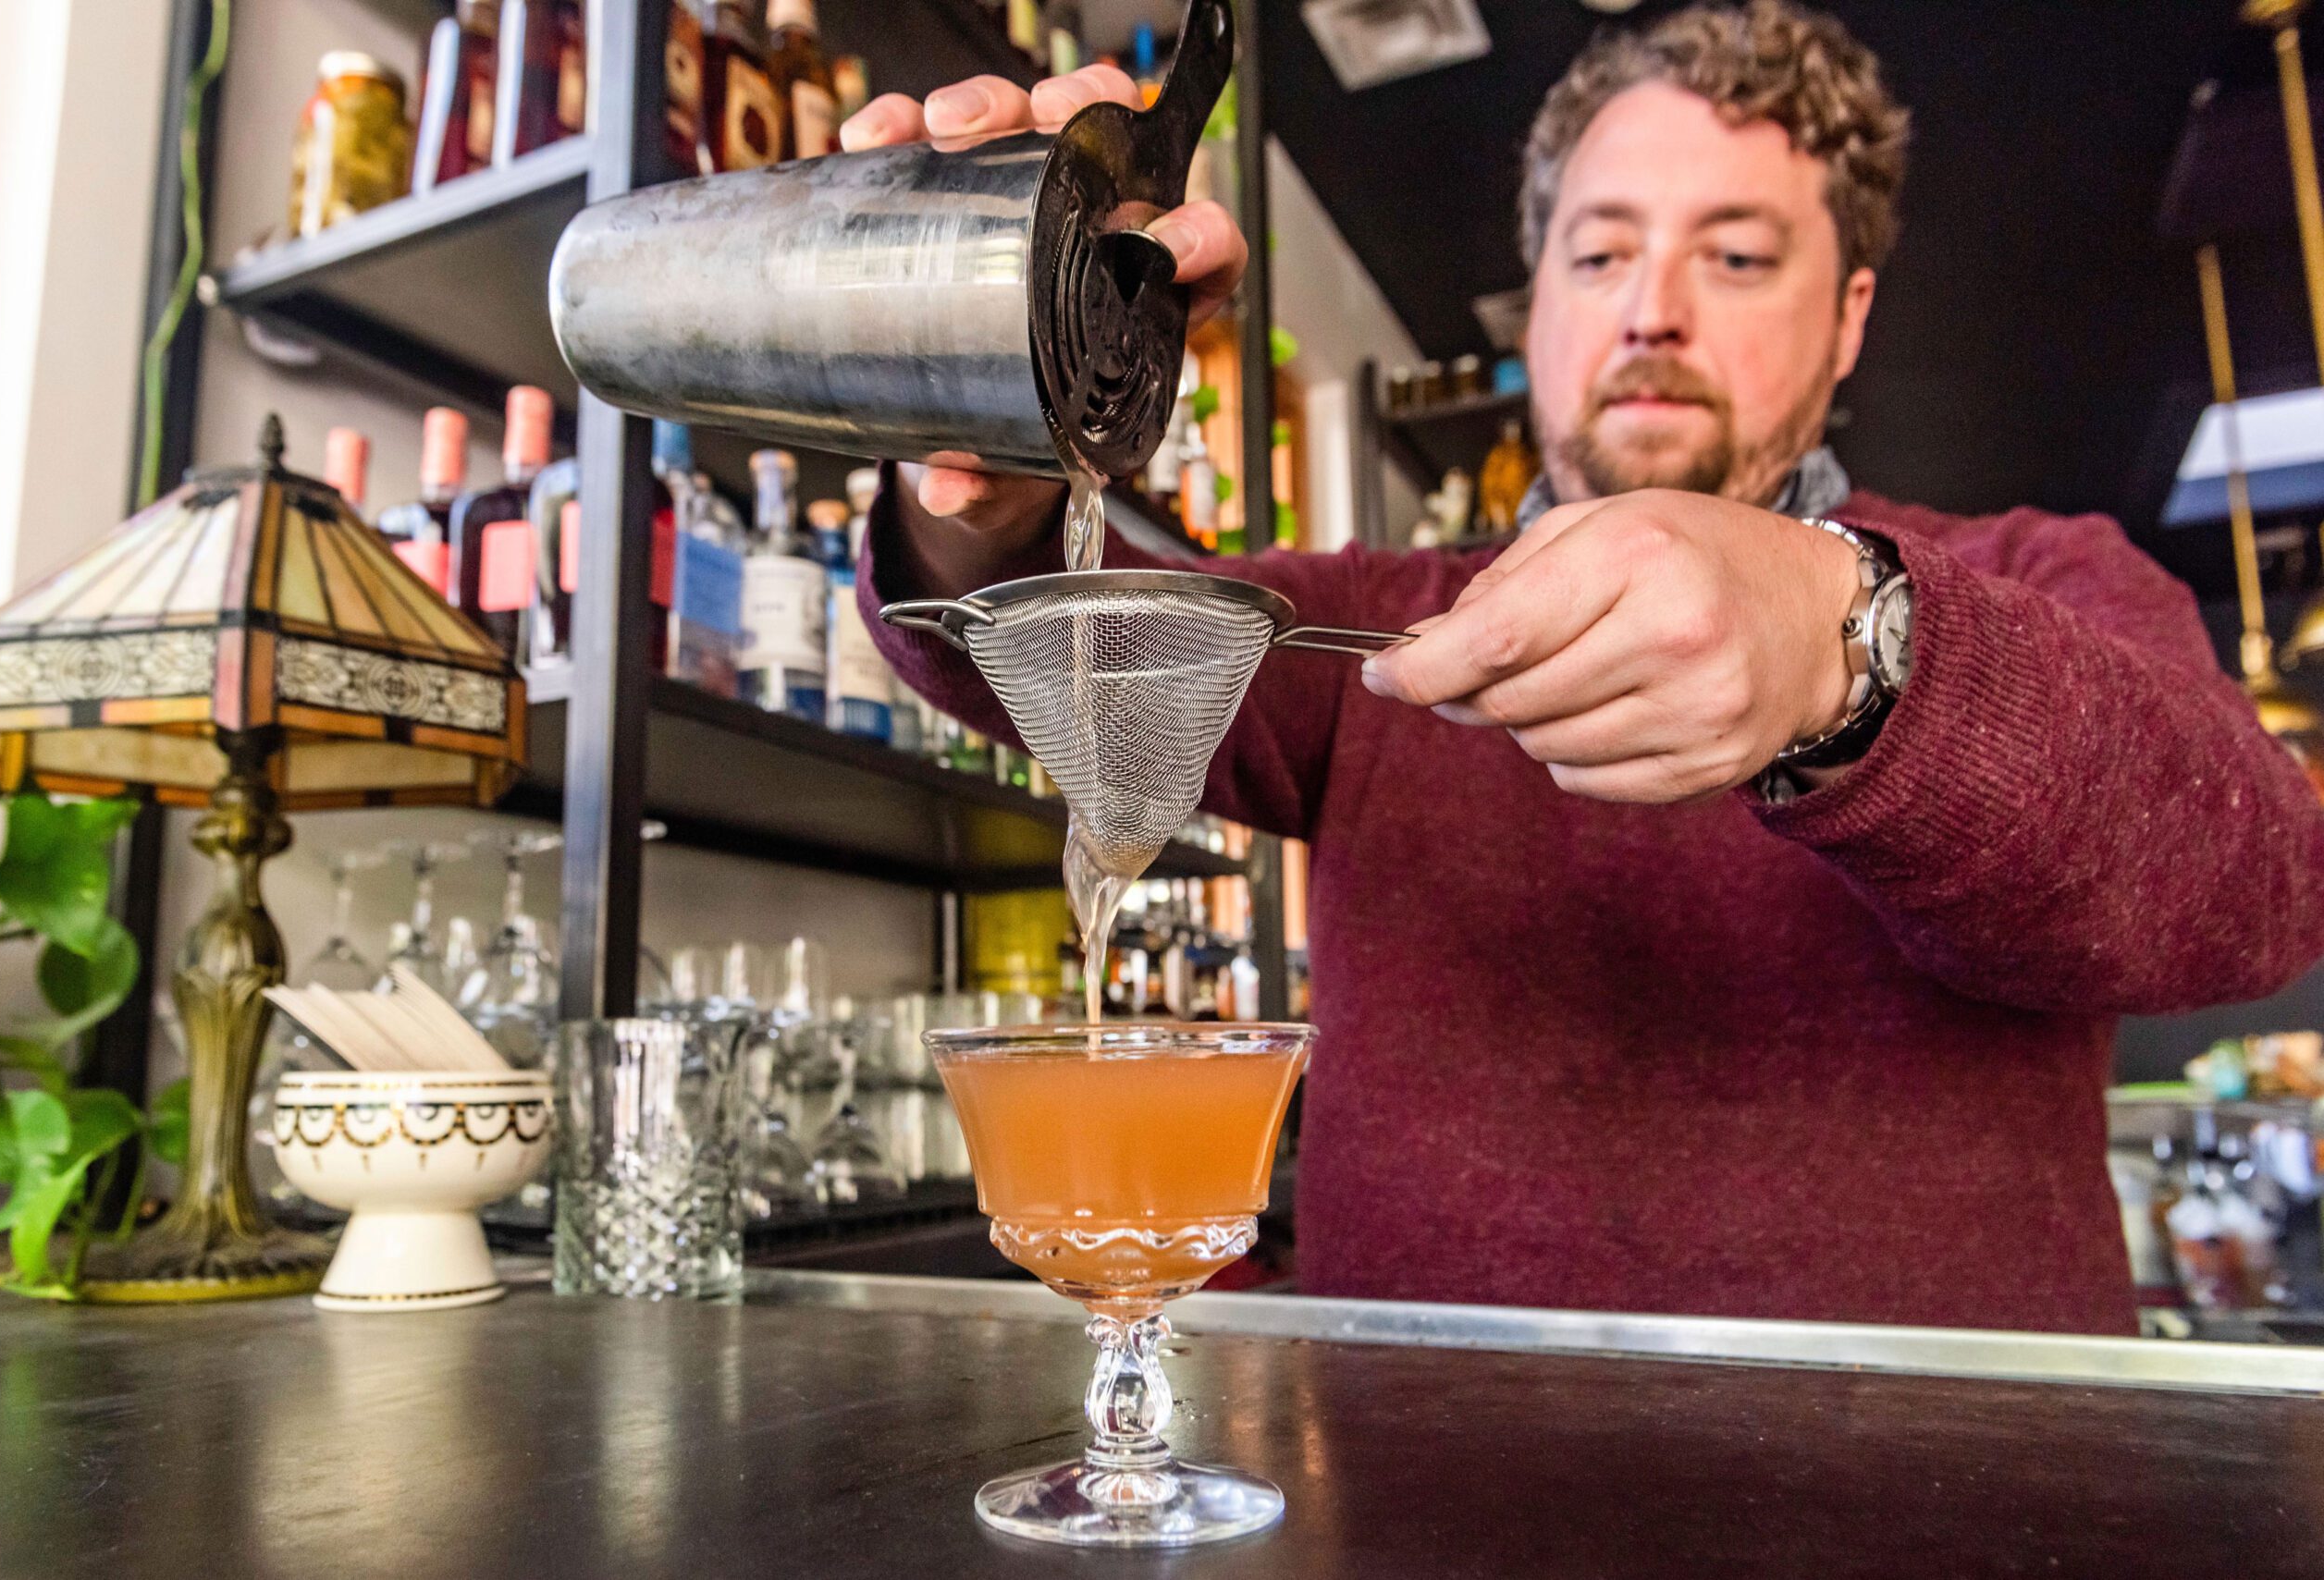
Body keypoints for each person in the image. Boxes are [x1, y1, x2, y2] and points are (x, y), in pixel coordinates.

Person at [843, 0, 2324, 1333]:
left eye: (1738, 255)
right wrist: (1001, 406)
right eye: (1601, 250)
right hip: (1427, 1520)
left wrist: (1847, 645)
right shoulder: (1383, 613)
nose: (1652, 308)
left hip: (1964, 1514)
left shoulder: (2036, 577)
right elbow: (1014, 643)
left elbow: (2252, 889)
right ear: (1536, 302)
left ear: (1849, 318)